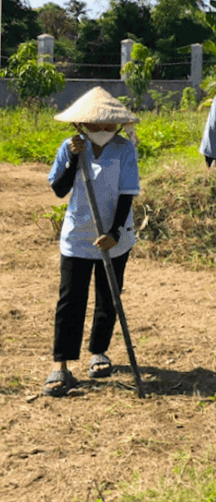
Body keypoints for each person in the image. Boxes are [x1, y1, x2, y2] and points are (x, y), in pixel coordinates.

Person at [43, 87, 141, 397]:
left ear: (116, 125)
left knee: (108, 296)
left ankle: (99, 351)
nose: (101, 131)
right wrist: (73, 159)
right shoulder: (71, 147)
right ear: (83, 124)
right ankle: (61, 364)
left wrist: (113, 233)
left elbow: (127, 193)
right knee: (71, 300)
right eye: (95, 125)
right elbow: (59, 190)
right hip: (78, 233)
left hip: (114, 236)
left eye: (108, 126)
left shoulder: (125, 150)